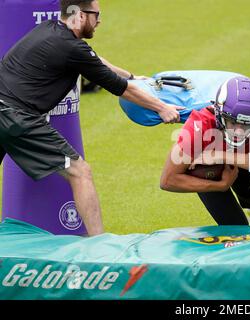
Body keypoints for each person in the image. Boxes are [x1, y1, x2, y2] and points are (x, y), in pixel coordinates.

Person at [0, 0, 183, 236]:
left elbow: (94, 59)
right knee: (80, 171)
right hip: (15, 117)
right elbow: (122, 89)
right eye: (96, 15)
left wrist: (133, 75)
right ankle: (100, 246)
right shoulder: (72, 49)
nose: (99, 21)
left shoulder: (49, 29)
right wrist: (162, 107)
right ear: (80, 14)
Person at [160, 76, 250, 227]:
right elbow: (168, 181)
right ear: (218, 112)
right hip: (211, 175)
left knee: (247, 184)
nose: (238, 132)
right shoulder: (199, 126)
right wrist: (221, 186)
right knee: (237, 230)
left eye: (246, 125)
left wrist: (221, 155)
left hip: (237, 161)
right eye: (233, 122)